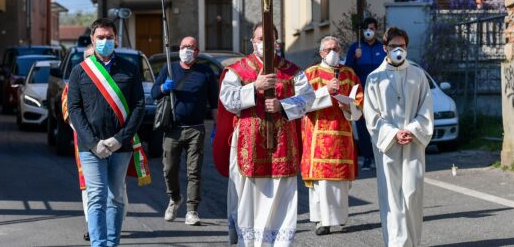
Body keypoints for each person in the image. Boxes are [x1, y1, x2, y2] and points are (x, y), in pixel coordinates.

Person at [218, 23, 315, 246]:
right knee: (249, 198)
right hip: (249, 145)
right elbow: (228, 100)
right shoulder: (239, 69)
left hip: (282, 144)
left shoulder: (291, 71)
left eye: (269, 39)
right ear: (252, 41)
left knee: (281, 197)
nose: (265, 43)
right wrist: (254, 86)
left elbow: (308, 99)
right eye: (260, 39)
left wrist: (282, 105)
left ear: (277, 42)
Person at [67, 18, 147, 247]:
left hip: (120, 146)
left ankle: (112, 243)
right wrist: (93, 143)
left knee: (116, 197)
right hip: (91, 147)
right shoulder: (80, 72)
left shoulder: (130, 70)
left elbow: (139, 106)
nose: (105, 41)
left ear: (116, 39)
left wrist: (118, 139)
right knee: (96, 196)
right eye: (100, 37)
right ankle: (99, 244)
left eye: (109, 37)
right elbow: (74, 109)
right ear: (92, 40)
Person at [363, 27, 433, 246]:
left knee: (412, 193)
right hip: (389, 147)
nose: (398, 50)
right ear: (385, 48)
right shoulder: (374, 78)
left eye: (402, 46)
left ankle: (413, 242)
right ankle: (396, 243)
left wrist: (411, 130)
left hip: (413, 143)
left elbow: (426, 109)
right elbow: (371, 115)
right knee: (392, 197)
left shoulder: (418, 75)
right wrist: (393, 133)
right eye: (394, 46)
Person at [151, 36, 218, 226]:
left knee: (194, 172)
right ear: (178, 49)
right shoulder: (169, 69)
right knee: (169, 169)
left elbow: (214, 103)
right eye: (183, 46)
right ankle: (174, 198)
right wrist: (164, 87)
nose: (186, 49)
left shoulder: (205, 72)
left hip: (196, 129)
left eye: (191, 47)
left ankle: (192, 210)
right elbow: (154, 92)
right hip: (173, 128)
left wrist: (217, 127)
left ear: (197, 51)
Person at [302, 36, 364, 235]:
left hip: (342, 134)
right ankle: (322, 221)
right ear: (321, 53)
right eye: (329, 49)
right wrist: (324, 91)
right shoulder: (311, 74)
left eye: (337, 48)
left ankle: (339, 217)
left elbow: (360, 102)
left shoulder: (349, 74)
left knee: (340, 182)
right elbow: (302, 103)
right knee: (322, 182)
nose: (334, 52)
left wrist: (349, 106)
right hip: (318, 133)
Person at [345, 17, 383, 170]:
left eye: (372, 28)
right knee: (363, 125)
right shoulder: (356, 47)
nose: (369, 32)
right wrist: (355, 57)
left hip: (380, 92)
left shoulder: (382, 47)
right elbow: (347, 69)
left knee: (379, 123)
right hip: (361, 92)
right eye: (367, 29)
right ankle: (367, 157)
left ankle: (379, 154)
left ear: (376, 30)